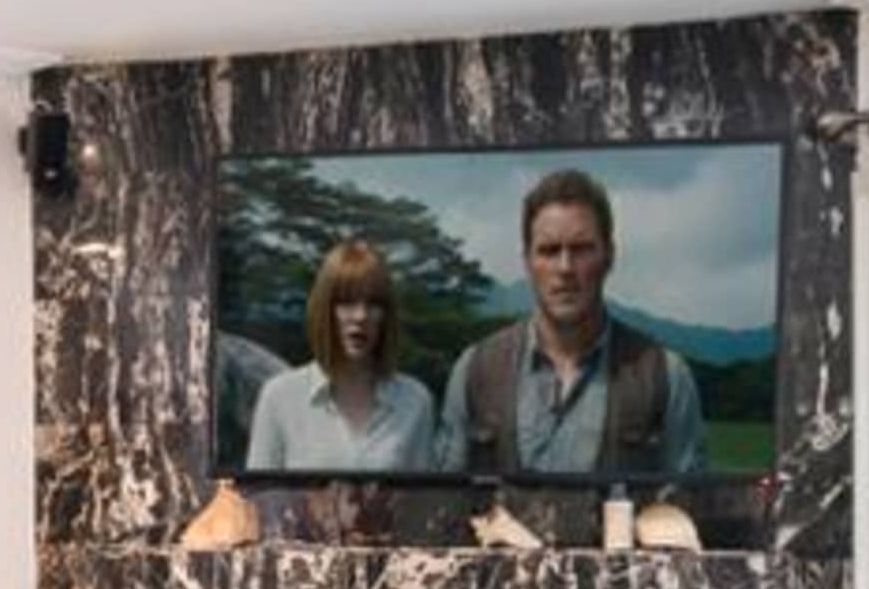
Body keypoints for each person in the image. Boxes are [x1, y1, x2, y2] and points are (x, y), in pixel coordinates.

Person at [437, 167, 704, 479]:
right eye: (549, 251)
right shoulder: (475, 371)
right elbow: (445, 504)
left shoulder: (666, 378)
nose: (565, 268)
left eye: (581, 249)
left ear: (609, 257)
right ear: (527, 262)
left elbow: (688, 512)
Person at [245, 237, 438, 473]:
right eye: (346, 302)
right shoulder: (279, 397)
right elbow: (255, 501)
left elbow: (423, 503)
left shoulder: (415, 401)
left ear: (386, 316)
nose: (360, 316)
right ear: (324, 310)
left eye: (374, 304)